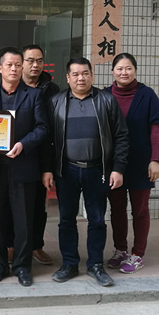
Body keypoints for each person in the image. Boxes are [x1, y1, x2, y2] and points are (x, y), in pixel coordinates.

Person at [43, 57, 129, 287]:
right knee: (66, 219)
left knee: (97, 220)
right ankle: (69, 263)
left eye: (85, 73)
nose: (80, 78)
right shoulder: (56, 102)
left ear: (92, 75)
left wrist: (118, 168)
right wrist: (48, 169)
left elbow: (121, 136)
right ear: (68, 78)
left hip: (98, 170)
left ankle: (95, 265)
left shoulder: (106, 100)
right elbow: (48, 140)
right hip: (66, 170)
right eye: (75, 74)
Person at [0, 47, 49, 287]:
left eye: (18, 65)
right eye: (9, 65)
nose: (14, 69)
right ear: (0, 68)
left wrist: (23, 144)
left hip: (22, 165)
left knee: (24, 221)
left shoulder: (34, 95)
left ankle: (22, 267)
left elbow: (42, 128)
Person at [105, 53, 159, 274]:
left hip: (141, 162)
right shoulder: (104, 95)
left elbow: (155, 130)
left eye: (128, 68)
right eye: (120, 68)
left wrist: (155, 160)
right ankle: (120, 250)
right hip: (114, 164)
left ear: (135, 71)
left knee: (140, 210)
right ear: (113, 71)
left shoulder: (147, 95)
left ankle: (138, 254)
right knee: (117, 208)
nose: (124, 72)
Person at [18, 44, 60, 266]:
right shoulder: (12, 85)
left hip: (42, 153)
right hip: (15, 153)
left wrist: (48, 166)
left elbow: (53, 127)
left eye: (39, 61)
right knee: (12, 204)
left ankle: (36, 245)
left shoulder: (52, 89)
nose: (35, 65)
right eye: (30, 60)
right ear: (21, 63)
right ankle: (12, 245)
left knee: (37, 206)